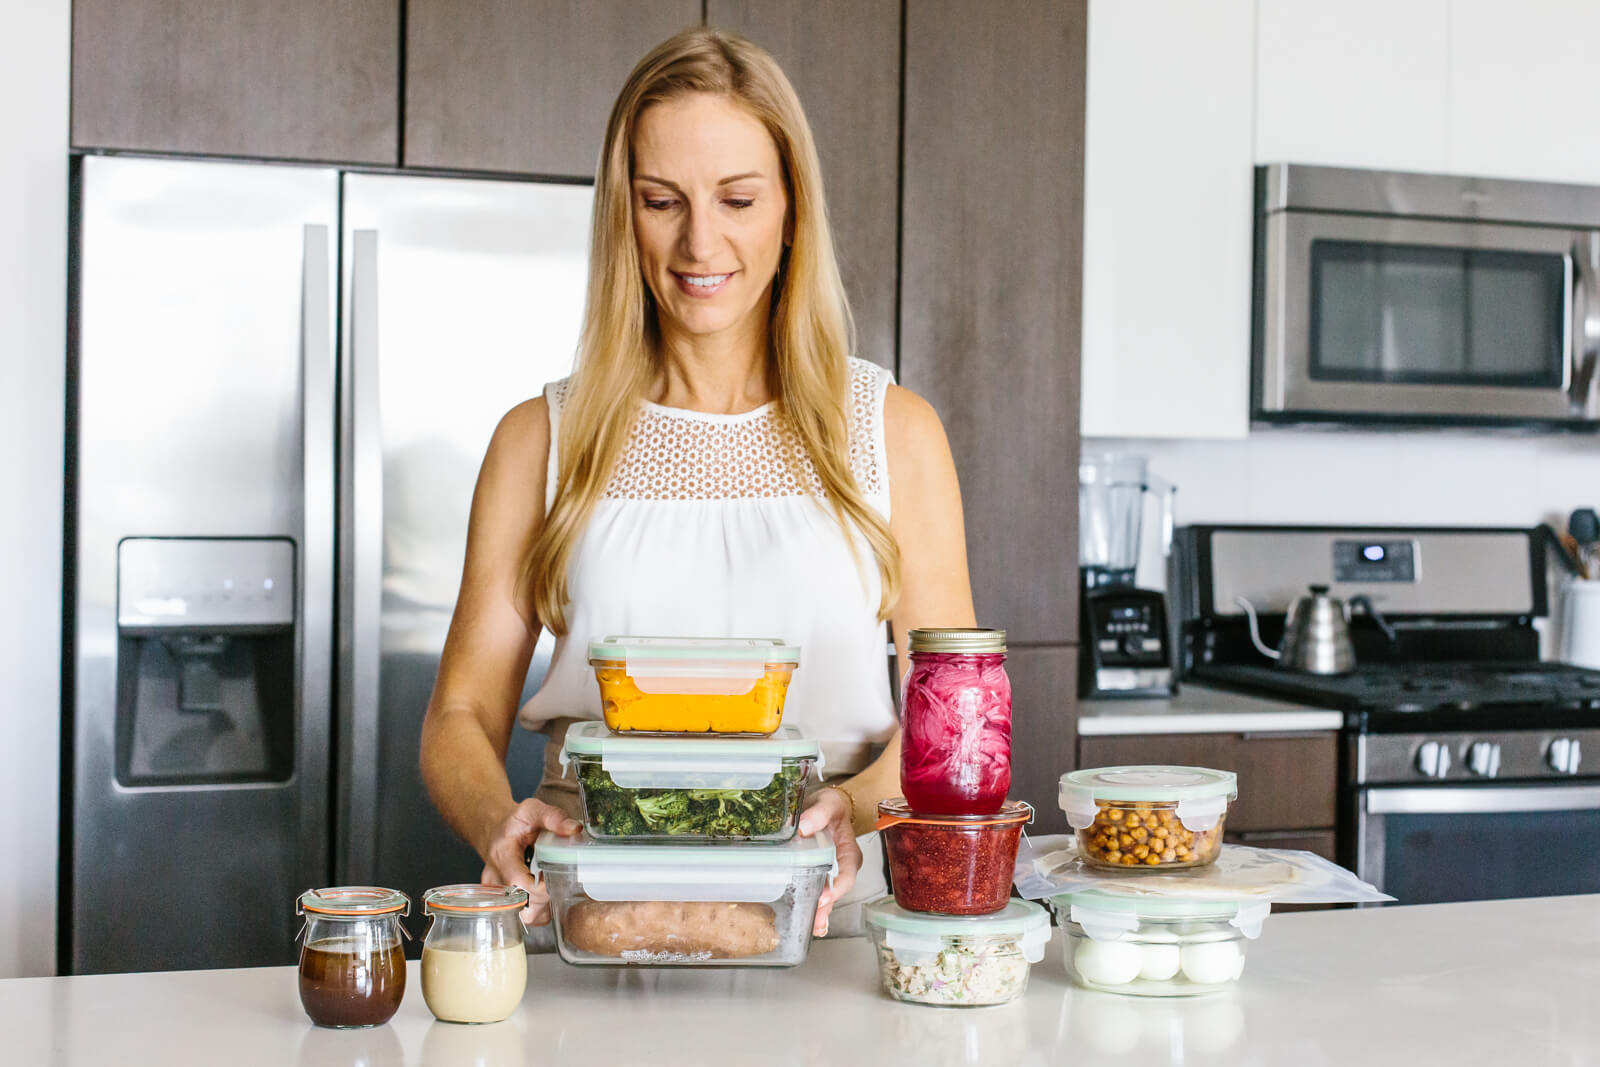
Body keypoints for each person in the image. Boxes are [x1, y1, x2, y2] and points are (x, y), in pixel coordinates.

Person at [419, 27, 975, 938]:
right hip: (593, 911)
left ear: (792, 206)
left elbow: (952, 717)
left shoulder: (892, 432)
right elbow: (459, 713)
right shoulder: (540, 441)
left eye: (738, 198)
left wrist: (863, 806)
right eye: (661, 200)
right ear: (621, 212)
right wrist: (499, 821)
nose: (699, 240)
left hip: (830, 915)